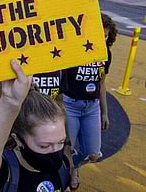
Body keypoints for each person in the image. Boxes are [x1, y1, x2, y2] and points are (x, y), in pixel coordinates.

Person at [0, 60, 72, 192]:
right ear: (17, 139)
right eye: (44, 146)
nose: (55, 151)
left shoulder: (62, 166)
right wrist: (10, 103)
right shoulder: (4, 174)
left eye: (61, 142)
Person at [62, 13, 116, 189]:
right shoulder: (75, 49)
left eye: (106, 35)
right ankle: (68, 173)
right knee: (65, 149)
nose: (102, 38)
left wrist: (104, 112)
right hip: (70, 105)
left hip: (92, 108)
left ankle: (74, 166)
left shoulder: (105, 54)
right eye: (98, 33)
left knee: (93, 153)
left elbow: (102, 83)